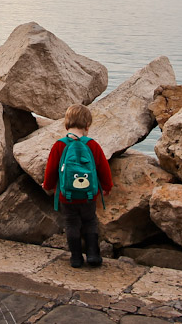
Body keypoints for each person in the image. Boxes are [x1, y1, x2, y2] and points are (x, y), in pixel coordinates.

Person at [41, 104, 113, 268]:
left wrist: (48, 185)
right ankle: (94, 255)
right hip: (89, 195)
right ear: (87, 125)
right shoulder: (92, 145)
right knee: (90, 221)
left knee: (71, 223)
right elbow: (103, 168)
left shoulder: (60, 145)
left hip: (67, 196)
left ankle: (75, 257)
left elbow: (51, 169)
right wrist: (107, 186)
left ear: (66, 123)